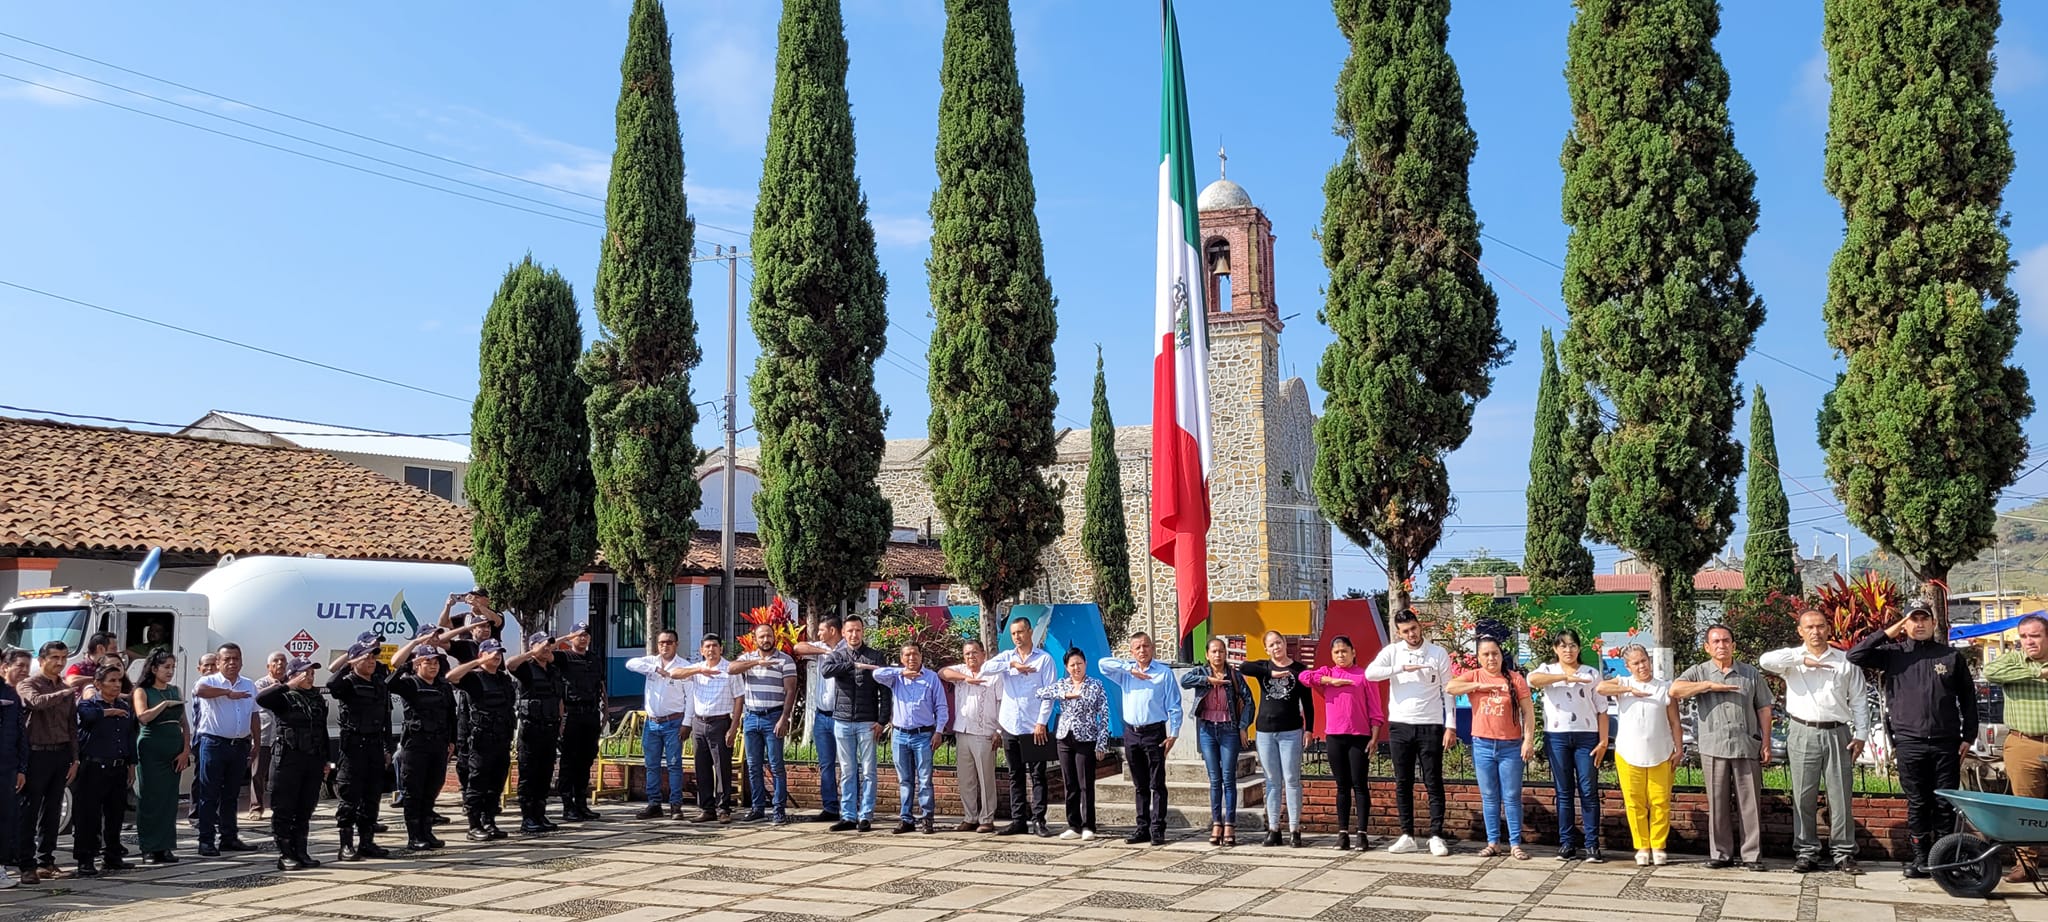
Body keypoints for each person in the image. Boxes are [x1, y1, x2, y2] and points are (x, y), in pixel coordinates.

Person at [1850, 597, 1977, 878]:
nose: (1919, 624)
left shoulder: (1949, 656)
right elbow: (1855, 655)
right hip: (1909, 742)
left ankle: (1945, 860)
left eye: (1924, 619)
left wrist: (1969, 735)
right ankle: (1921, 859)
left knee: (1945, 803)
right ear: (1905, 624)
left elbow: (1968, 697)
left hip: (1947, 742)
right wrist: (1890, 631)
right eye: (1913, 619)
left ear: (1934, 623)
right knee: (1918, 802)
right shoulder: (1892, 655)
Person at [1760, 609, 1870, 876]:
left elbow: (1858, 700)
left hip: (1838, 733)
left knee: (1840, 795)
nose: (1815, 632)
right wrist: (1803, 657)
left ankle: (1843, 853)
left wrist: (1862, 734)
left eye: (1820, 626)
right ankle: (1806, 851)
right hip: (1802, 731)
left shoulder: (1845, 661)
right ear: (1800, 631)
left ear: (1828, 628)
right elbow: (1764, 661)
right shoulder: (1792, 661)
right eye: (1809, 627)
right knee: (1802, 795)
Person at [1677, 625, 1776, 871]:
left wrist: (1766, 741)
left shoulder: (1750, 673)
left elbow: (1764, 708)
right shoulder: (1699, 672)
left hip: (1745, 744)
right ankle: (1720, 854)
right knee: (1717, 802)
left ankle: (1751, 855)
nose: (1722, 645)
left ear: (1733, 644)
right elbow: (1674, 690)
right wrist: (1708, 686)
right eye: (1716, 642)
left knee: (1750, 803)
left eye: (1726, 641)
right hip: (1713, 746)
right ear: (1707, 647)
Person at [1364, 609, 1457, 856]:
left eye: (1414, 628)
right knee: (1402, 782)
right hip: (1400, 724)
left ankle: (1436, 835)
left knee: (1433, 780)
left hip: (1431, 723)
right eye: (1405, 631)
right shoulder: (1392, 652)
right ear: (1398, 632)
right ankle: (1407, 834)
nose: (1411, 634)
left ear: (1420, 626)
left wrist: (1451, 726)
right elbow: (1370, 673)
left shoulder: (1437, 653)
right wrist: (1399, 668)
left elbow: (1449, 690)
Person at [1448, 637, 1536, 860]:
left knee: (1512, 795)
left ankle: (1515, 843)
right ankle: (1493, 842)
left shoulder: (1515, 679)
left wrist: (1528, 740)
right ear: (1479, 657)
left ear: (1501, 654)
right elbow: (1451, 687)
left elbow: (1528, 712)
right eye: (1486, 654)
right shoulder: (1475, 676)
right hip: (1483, 744)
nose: (1491, 658)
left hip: (1510, 745)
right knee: (1489, 796)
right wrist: (1478, 686)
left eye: (1495, 653)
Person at [1528, 628, 1610, 862]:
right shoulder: (1548, 671)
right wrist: (1564, 677)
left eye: (1572, 645)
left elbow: (1602, 710)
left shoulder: (1591, 673)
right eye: (1563, 645)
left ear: (1579, 648)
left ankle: (1592, 845)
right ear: (1555, 649)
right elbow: (1532, 680)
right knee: (1564, 792)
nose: (1568, 650)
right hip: (1557, 736)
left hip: (1587, 737)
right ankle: (1567, 844)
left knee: (1588, 791)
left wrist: (1603, 740)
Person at [1599, 645, 1681, 867]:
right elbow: (1600, 688)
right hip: (1628, 752)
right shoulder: (1623, 684)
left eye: (1644, 661)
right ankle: (1642, 846)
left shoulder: (1664, 687)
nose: (1641, 666)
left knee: (1660, 801)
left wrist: (1679, 748)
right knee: (1634, 802)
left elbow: (1675, 721)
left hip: (1661, 752)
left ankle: (1658, 845)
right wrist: (1628, 690)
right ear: (1627, 666)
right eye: (1635, 663)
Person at [1099, 631, 1183, 846]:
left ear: (1152, 648)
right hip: (1131, 733)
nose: (1142, 651)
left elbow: (1174, 705)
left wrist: (1173, 733)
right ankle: (1142, 827)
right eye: (1137, 647)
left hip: (1154, 732)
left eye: (1145, 646)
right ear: (1131, 651)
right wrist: (1129, 668)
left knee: (1157, 783)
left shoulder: (1163, 673)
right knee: (1139, 784)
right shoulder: (1125, 673)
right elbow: (1103, 664)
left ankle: (1157, 828)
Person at [1304, 635, 1384, 851]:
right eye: (1337, 652)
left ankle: (1362, 833)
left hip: (1359, 737)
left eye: (1344, 651)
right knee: (1341, 786)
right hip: (1335, 736)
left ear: (1353, 652)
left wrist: (1375, 737)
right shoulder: (1327, 673)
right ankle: (1342, 833)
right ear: (1332, 655)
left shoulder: (1364, 676)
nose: (1341, 655)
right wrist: (1331, 681)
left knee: (1359, 784)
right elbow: (1304, 676)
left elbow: (1376, 711)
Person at [1986, 613, 2048, 883]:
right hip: (2024, 743)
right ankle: (2026, 864)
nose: (2029, 642)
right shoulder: (2013, 659)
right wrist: (2037, 672)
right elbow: (1990, 672)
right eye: (2023, 637)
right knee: (2026, 808)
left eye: (2035, 636)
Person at [982, 616, 1057, 837]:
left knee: (1037, 775)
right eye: (1013, 633)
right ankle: (1018, 820)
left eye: (1020, 632)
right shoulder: (1007, 658)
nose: (1017, 637)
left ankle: (1039, 820)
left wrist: (1042, 722)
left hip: (1033, 726)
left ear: (1030, 632)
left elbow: (1049, 693)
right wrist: (1010, 665)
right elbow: (986, 668)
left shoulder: (1044, 660)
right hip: (1010, 725)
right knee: (1014, 774)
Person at [1241, 631, 1314, 848]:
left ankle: (1294, 829)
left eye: (1278, 643)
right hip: (1265, 731)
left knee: (1291, 780)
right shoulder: (1263, 668)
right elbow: (1244, 667)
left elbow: (1308, 703)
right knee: (1272, 781)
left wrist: (1309, 729)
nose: (1276, 647)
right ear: (1266, 649)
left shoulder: (1299, 670)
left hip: (1291, 731)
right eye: (1271, 645)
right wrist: (1270, 673)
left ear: (1285, 643)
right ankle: (1273, 828)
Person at [1181, 637, 1254, 846]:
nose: (1218, 655)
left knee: (1228, 779)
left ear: (1226, 654)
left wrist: (1243, 727)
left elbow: (1249, 701)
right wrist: (1207, 681)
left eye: (1221, 651)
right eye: (1214, 651)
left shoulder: (1234, 675)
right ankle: (1216, 823)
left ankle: (1230, 823)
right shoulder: (1201, 673)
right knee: (1214, 780)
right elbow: (1184, 681)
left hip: (1228, 729)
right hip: (1207, 729)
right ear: (1207, 654)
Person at [258, 657, 329, 871]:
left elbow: (322, 730)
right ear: (292, 674)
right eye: (304, 672)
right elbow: (261, 699)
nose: (309, 676)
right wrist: (287, 685)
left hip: (312, 759)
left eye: (312, 673)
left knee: (305, 807)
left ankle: (301, 850)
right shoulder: (284, 697)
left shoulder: (316, 698)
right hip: (288, 759)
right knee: (284, 808)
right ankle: (285, 853)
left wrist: (326, 759)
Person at [325, 637, 393, 860]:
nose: (372, 661)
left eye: (374, 657)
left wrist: (387, 746)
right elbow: (331, 685)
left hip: (374, 746)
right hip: (353, 748)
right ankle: (346, 845)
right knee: (349, 797)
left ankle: (367, 842)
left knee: (372, 797)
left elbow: (385, 718)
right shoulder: (348, 682)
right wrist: (349, 661)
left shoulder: (379, 684)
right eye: (367, 657)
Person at [190, 643, 260, 857]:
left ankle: (229, 838)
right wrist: (228, 693)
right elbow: (200, 691)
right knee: (209, 794)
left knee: (231, 795)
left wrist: (256, 741)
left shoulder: (248, 684)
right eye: (227, 659)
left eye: (236, 659)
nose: (232, 663)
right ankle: (206, 840)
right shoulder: (208, 680)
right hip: (214, 744)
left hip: (239, 745)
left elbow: (254, 714)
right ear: (218, 662)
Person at [872, 643, 950, 835]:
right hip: (900, 735)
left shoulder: (931, 678)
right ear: (901, 658)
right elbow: (877, 674)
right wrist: (901, 672)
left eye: (915, 654)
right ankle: (906, 818)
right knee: (904, 780)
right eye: (907, 655)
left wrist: (939, 731)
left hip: (923, 735)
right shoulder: (896, 679)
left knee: (925, 779)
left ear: (921, 656)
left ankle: (927, 818)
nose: (911, 658)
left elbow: (941, 707)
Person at [821, 616, 891, 832]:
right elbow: (826, 671)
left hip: (867, 721)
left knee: (869, 770)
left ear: (863, 632)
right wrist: (851, 665)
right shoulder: (837, 655)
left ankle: (866, 815)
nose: (854, 635)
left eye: (858, 630)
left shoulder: (875, 656)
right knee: (848, 770)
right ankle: (848, 815)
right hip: (842, 721)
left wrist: (882, 720)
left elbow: (885, 690)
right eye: (850, 631)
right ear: (843, 633)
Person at [388, 632, 456, 851]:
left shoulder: (443, 686)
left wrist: (452, 741)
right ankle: (414, 836)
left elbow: (450, 715)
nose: (433, 666)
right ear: (418, 665)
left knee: (431, 789)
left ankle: (427, 832)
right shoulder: (409, 684)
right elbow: (390, 680)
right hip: (415, 746)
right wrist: (413, 648)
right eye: (428, 662)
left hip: (438, 744)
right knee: (414, 792)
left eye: (436, 662)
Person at [1033, 648, 1108, 841]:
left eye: (1079, 664)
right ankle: (1073, 825)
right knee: (1070, 783)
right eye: (1072, 665)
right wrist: (1064, 695)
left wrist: (1102, 743)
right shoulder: (1062, 685)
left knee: (1085, 784)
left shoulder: (1095, 685)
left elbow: (1104, 715)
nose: (1076, 668)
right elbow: (1040, 693)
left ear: (1085, 664)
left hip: (1086, 738)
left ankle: (1088, 825)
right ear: (1066, 667)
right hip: (1064, 737)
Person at [19, 642, 78, 881]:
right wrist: (64, 693)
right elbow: (36, 702)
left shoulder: (65, 688)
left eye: (64, 657)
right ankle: (26, 864)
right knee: (30, 810)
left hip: (61, 753)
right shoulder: (29, 683)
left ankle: (47, 860)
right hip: (36, 753)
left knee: (53, 811)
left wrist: (75, 758)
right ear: (41, 660)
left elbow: (72, 726)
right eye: (54, 657)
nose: (60, 662)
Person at [448, 639, 518, 841]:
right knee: (477, 783)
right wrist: (476, 663)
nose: (496, 656)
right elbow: (451, 677)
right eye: (492, 653)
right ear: (482, 655)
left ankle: (489, 821)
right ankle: (474, 825)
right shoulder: (473, 678)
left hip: (501, 738)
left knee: (495, 784)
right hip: (481, 741)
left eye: (499, 653)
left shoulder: (503, 679)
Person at [729, 623, 798, 825]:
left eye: (768, 636)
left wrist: (784, 718)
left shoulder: (785, 660)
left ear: (774, 637)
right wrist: (756, 663)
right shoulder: (748, 658)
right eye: (761, 637)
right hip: (751, 717)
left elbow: (791, 691)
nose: (765, 640)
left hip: (773, 717)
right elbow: (731, 668)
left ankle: (779, 810)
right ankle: (757, 808)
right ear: (755, 639)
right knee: (753, 766)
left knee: (776, 766)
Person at [72, 665, 137, 877]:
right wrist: (108, 712)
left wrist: (131, 765)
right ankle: (86, 859)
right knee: (88, 816)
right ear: (98, 684)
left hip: (117, 767)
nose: (117, 685)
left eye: (119, 681)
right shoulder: (88, 704)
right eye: (111, 681)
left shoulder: (124, 706)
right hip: (93, 767)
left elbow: (129, 737)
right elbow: (88, 717)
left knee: (115, 815)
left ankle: (113, 856)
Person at [440, 589, 502, 804]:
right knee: (466, 748)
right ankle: (469, 796)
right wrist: (463, 620)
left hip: (492, 694)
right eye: (479, 627)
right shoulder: (465, 643)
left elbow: (494, 620)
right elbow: (441, 637)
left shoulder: (495, 623)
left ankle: (488, 802)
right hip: (470, 697)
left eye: (485, 627)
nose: (483, 629)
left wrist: (480, 608)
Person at [625, 630, 694, 819]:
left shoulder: (684, 667)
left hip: (674, 721)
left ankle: (675, 805)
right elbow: (630, 664)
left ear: (676, 644)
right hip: (652, 723)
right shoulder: (651, 662)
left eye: (669, 642)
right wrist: (655, 669)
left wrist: (687, 723)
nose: (665, 645)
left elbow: (691, 698)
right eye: (662, 642)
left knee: (674, 764)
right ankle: (654, 803)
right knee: (651, 765)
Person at [672, 635, 740, 823]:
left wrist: (734, 727)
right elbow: (674, 673)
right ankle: (706, 808)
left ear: (721, 649)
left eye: (715, 646)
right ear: (702, 650)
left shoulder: (730, 669)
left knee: (722, 768)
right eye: (707, 647)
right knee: (701, 767)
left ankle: (723, 808)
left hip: (720, 722)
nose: (711, 650)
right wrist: (698, 669)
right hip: (699, 723)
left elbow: (739, 698)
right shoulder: (697, 669)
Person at [132, 649, 189, 866]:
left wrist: (185, 750)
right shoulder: (143, 691)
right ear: (154, 669)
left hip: (173, 750)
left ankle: (165, 846)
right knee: (149, 798)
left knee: (169, 800)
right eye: (166, 667)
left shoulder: (176, 690)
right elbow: (143, 717)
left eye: (173, 667)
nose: (170, 672)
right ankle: (149, 847)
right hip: (150, 750)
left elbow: (184, 724)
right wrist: (163, 705)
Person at [941, 639, 1005, 833]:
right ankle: (970, 816)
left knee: (986, 778)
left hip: (985, 732)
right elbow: (941, 673)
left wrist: (999, 730)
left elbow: (1002, 702)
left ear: (983, 654)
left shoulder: (994, 673)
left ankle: (987, 818)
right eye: (967, 653)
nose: (971, 656)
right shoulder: (961, 670)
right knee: (966, 778)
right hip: (963, 731)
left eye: (975, 652)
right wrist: (965, 678)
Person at [505, 633, 565, 834]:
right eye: (543, 645)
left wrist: (561, 720)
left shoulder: (553, 670)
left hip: (550, 727)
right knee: (529, 774)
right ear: (533, 646)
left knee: (545, 773)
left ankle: (540, 814)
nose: (547, 649)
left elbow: (558, 699)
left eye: (549, 646)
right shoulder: (526, 668)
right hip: (531, 729)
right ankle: (528, 817)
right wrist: (532, 653)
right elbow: (510, 664)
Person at [792, 618, 846, 824]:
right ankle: (830, 807)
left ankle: (852, 807)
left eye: (822, 630)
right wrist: (824, 652)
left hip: (842, 715)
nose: (819, 634)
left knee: (848, 764)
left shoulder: (846, 648)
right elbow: (798, 647)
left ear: (833, 630)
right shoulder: (821, 647)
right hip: (822, 715)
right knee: (826, 764)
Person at [555, 622, 606, 822]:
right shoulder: (563, 657)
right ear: (571, 637)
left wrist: (606, 711)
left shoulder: (594, 659)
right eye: (578, 635)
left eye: (585, 635)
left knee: (586, 760)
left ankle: (581, 803)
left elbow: (600, 685)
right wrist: (565, 639)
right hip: (571, 714)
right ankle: (568, 806)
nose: (582, 638)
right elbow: (545, 649)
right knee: (569, 762)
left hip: (591, 714)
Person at [0, 650, 27, 888]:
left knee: (4, 818)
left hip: (6, 766)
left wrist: (21, 768)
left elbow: (20, 734)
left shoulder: (9, 694)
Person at [249, 651, 286, 824]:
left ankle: (280, 808)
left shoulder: (290, 682)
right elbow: (258, 696)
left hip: (283, 737)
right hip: (264, 736)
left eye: (283, 661)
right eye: (276, 661)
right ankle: (256, 807)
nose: (280, 664)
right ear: (268, 666)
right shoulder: (261, 683)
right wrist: (275, 686)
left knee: (282, 775)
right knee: (258, 773)